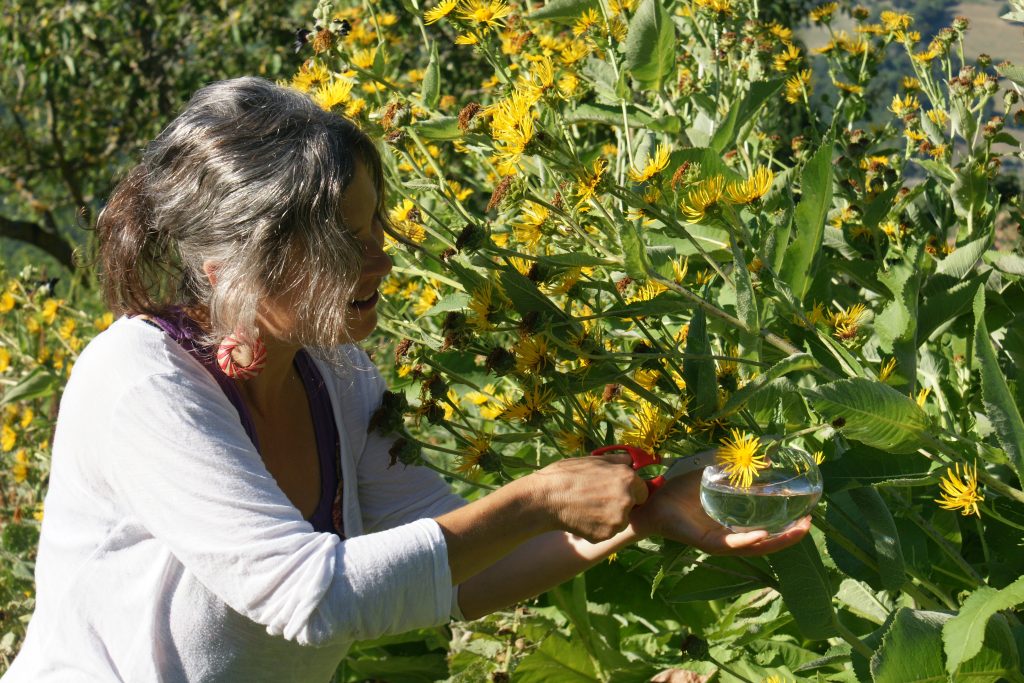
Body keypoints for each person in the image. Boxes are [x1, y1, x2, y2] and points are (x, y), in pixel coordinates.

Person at [3, 77, 809, 682]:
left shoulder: (337, 371)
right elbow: (314, 597)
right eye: (344, 245)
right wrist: (534, 497)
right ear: (230, 267)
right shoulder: (140, 380)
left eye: (375, 230)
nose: (383, 260)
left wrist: (644, 511)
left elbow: (464, 570)